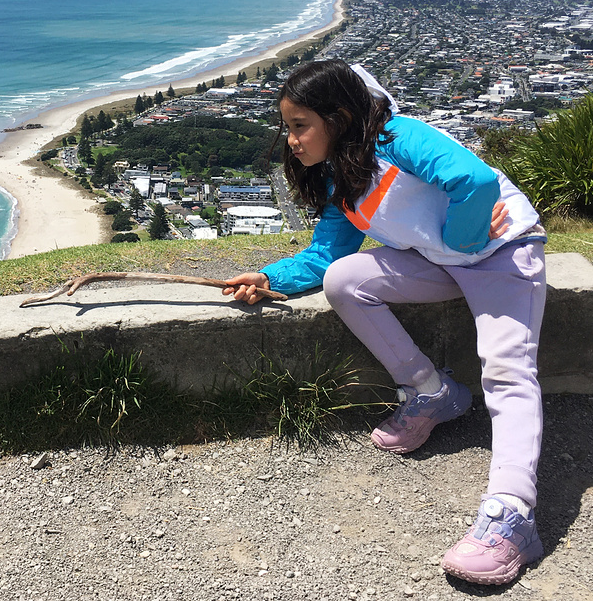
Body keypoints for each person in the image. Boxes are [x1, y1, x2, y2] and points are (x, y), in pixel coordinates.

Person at [223, 59, 548, 586]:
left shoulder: (399, 137)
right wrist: (267, 276)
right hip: (443, 261)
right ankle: (432, 391)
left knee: (507, 370)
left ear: (341, 117)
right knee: (345, 279)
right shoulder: (344, 175)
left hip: (499, 251)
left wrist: (462, 239)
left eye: (300, 125)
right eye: (288, 127)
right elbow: (325, 254)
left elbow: (475, 180)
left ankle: (512, 516)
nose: (291, 141)